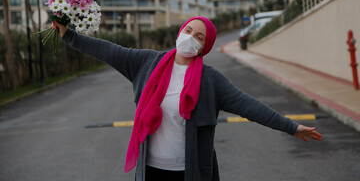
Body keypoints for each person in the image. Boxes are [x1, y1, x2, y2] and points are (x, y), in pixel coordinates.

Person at [52, 16, 322, 181]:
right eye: (189, 31)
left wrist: (291, 126)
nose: (191, 37)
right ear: (181, 31)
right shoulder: (146, 62)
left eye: (199, 37)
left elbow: (249, 105)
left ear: (205, 47)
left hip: (191, 173)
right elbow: (108, 50)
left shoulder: (211, 80)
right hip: (151, 170)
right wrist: (69, 36)